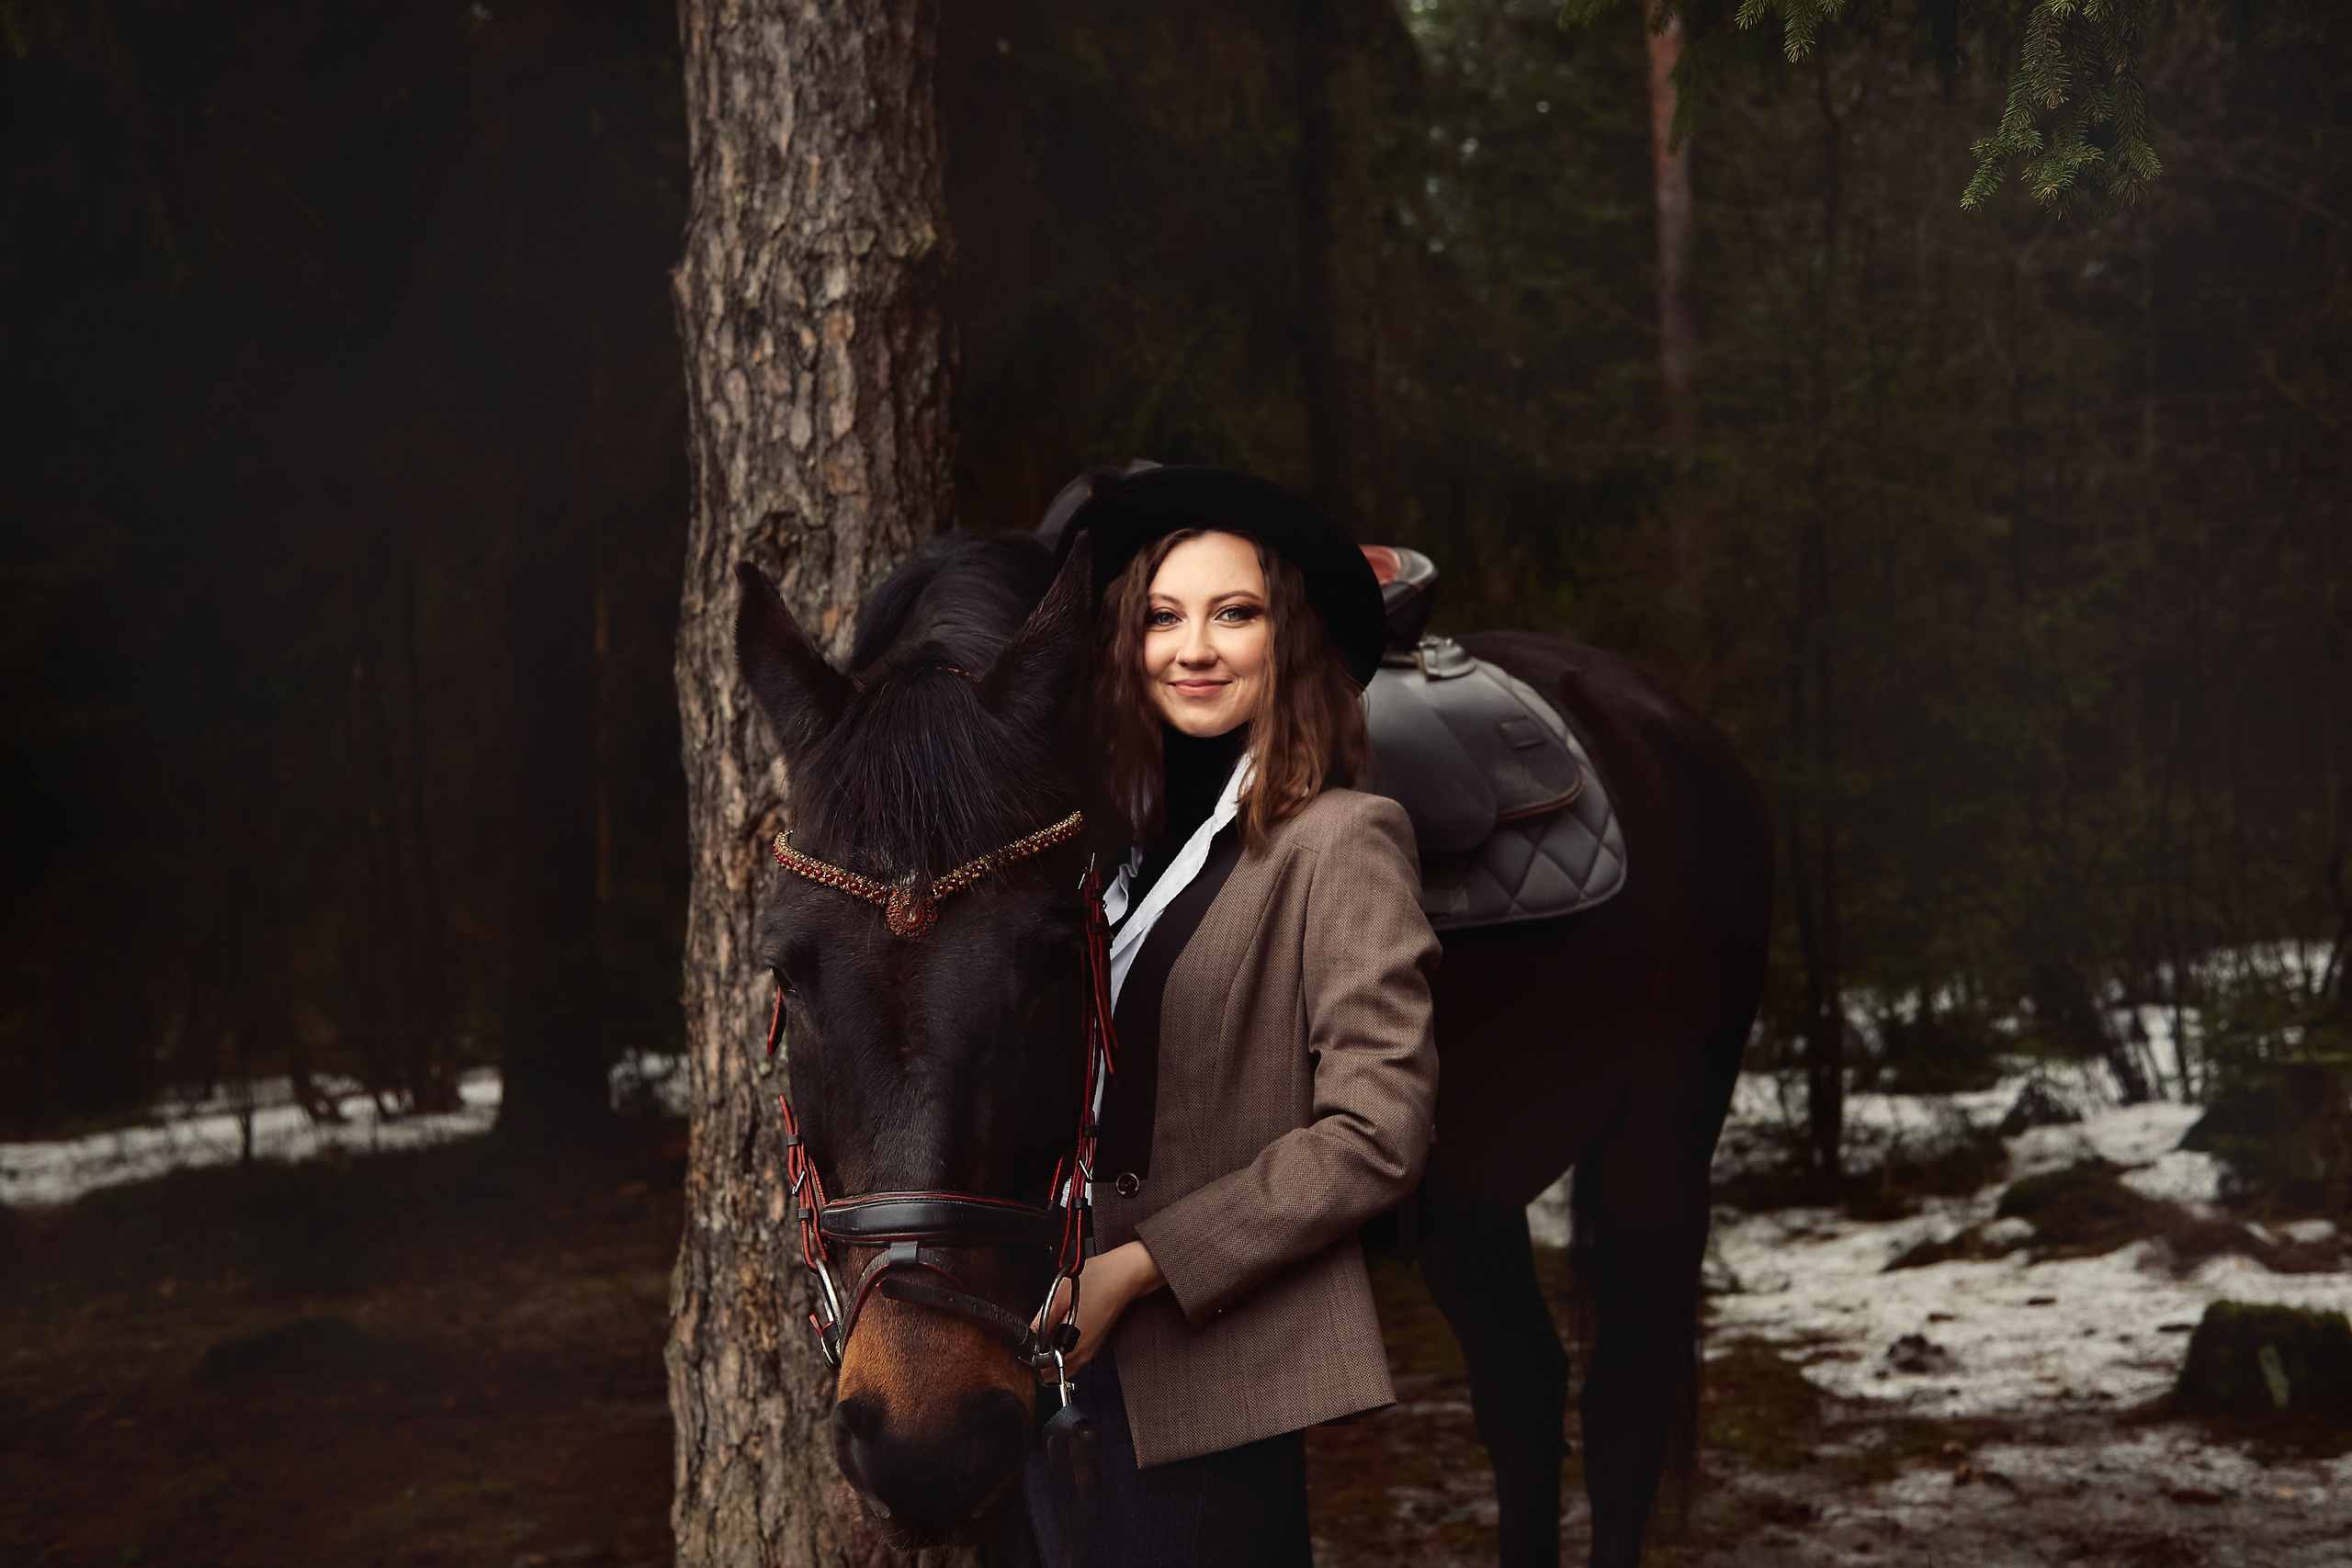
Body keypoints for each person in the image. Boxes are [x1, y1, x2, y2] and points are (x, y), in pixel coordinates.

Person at [1012, 466, 1440, 1568]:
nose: (1192, 648)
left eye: (1232, 613)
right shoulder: (1099, 850)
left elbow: (1376, 1133)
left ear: (1285, 639)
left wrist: (1141, 1265)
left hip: (1211, 1366)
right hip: (1044, 1359)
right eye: (1163, 616)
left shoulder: (1341, 838)